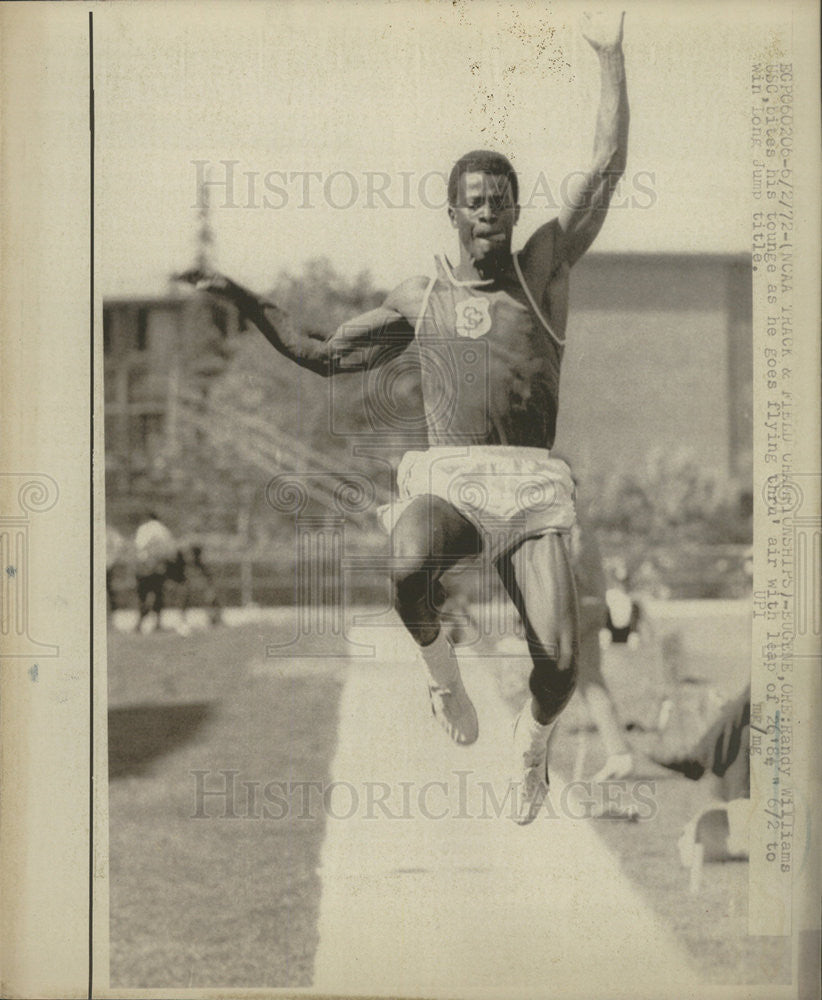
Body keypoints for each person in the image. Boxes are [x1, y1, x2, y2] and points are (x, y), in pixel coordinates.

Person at [179, 11, 629, 824]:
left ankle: (532, 746)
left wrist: (611, 59)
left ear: (516, 209)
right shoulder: (419, 298)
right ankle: (443, 682)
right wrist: (242, 295)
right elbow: (318, 352)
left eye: (501, 202)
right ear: (451, 215)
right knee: (405, 562)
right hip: (454, 480)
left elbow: (602, 169)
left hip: (529, 487)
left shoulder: (542, 272)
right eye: (475, 203)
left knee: (560, 664)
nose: (490, 214)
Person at [133, 512, 180, 633]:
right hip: (159, 566)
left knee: (142, 594)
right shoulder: (164, 530)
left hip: (145, 565)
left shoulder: (144, 529)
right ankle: (158, 622)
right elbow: (170, 550)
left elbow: (139, 545)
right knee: (158, 594)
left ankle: (140, 623)